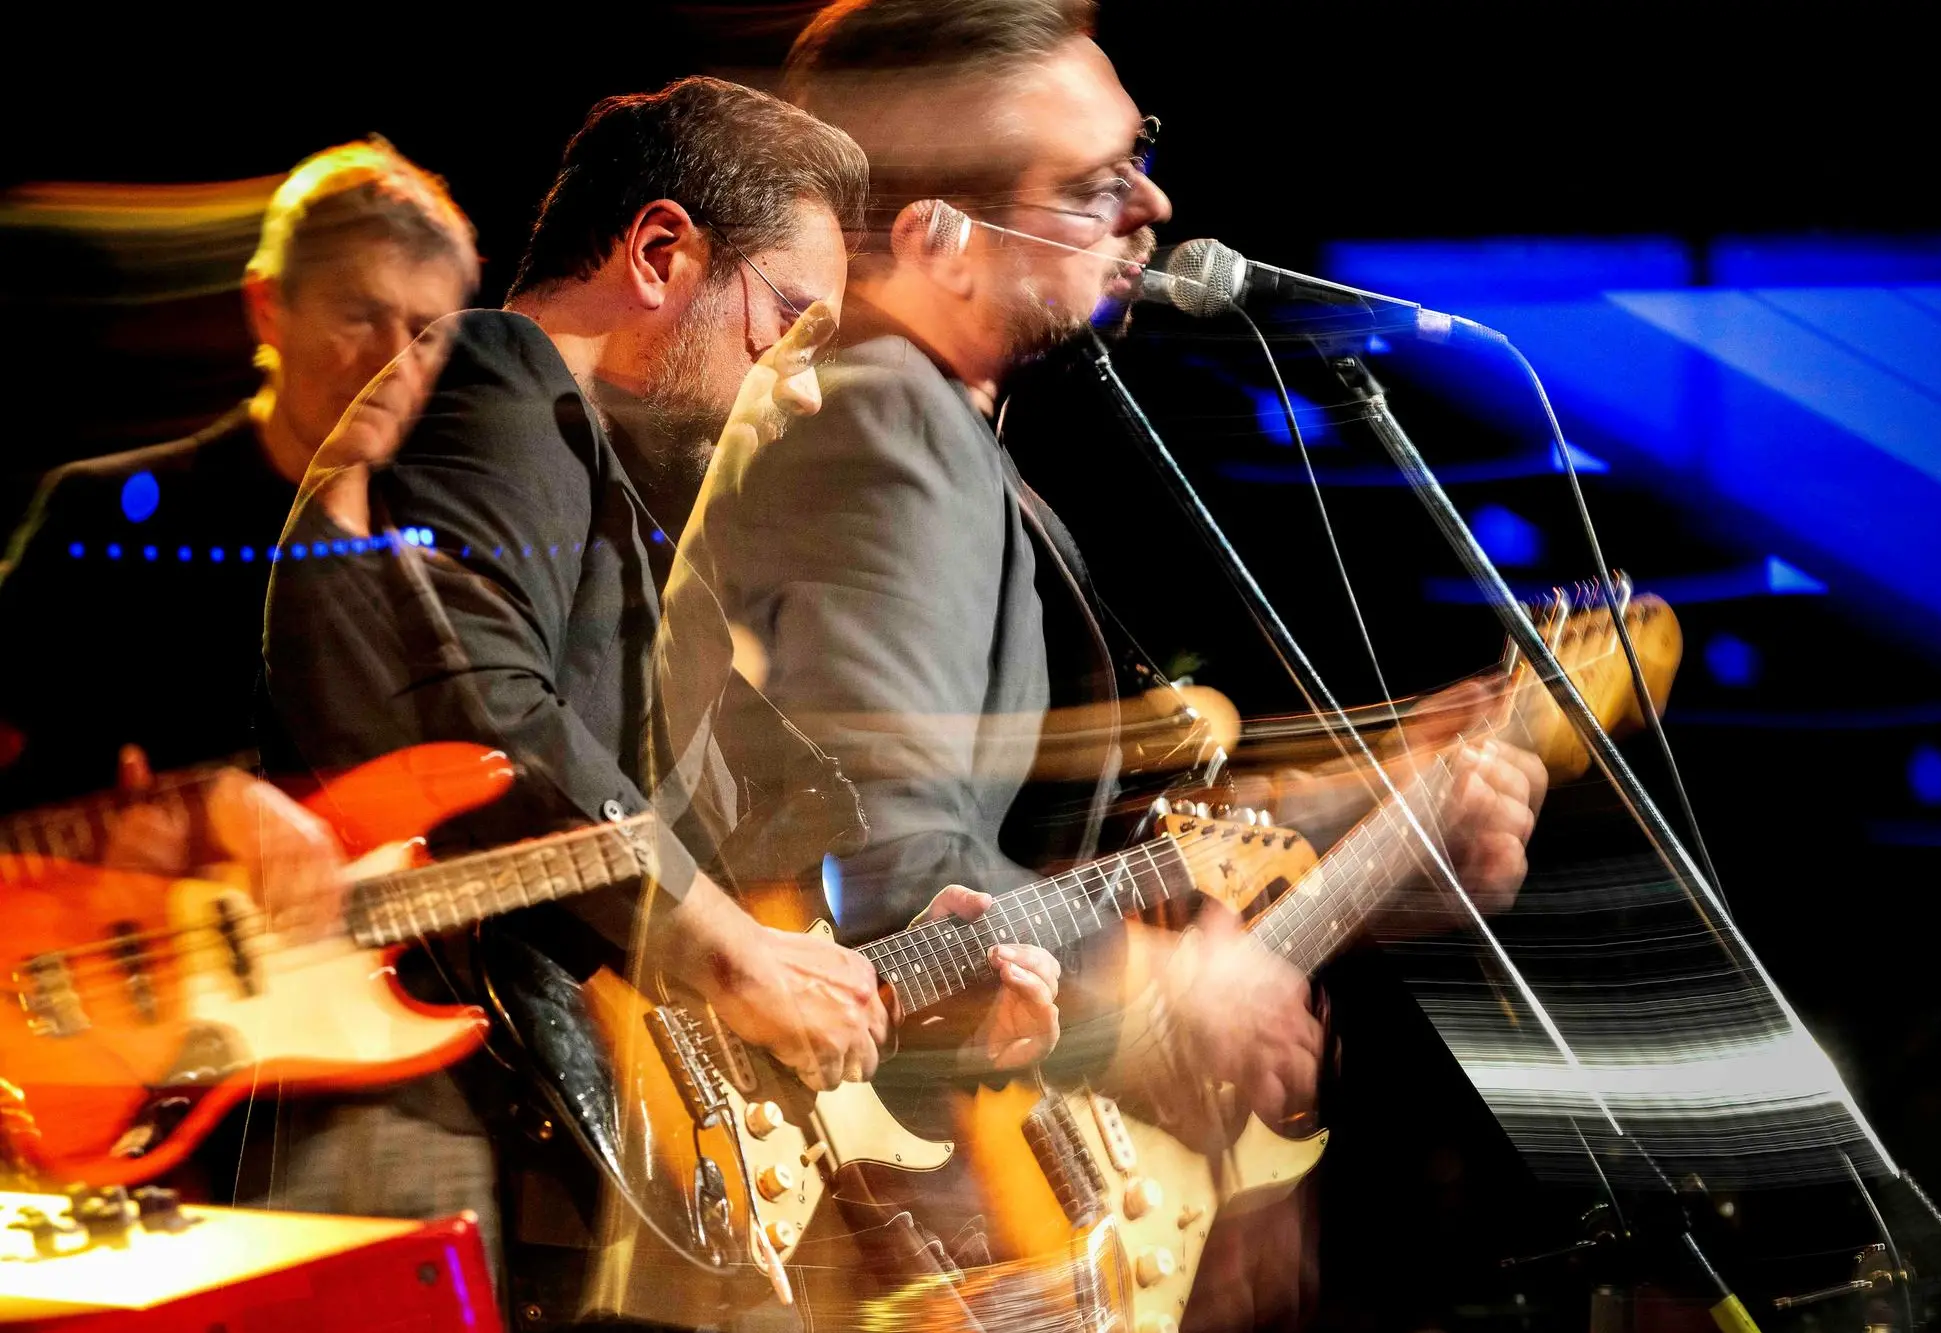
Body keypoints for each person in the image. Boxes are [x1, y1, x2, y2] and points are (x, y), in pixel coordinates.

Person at [654, 2, 1549, 1327]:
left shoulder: (928, 429)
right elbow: (884, 868)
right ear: (937, 241)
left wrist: (1374, 820)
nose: (1152, 205)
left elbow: (1003, 837)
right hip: (888, 1223)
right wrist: (1150, 995)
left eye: (1140, 154)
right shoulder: (889, 430)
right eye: (1089, 186)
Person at [260, 76, 1064, 1324]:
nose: (802, 388)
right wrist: (732, 953)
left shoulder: (628, 544)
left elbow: (729, 893)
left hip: (553, 1181)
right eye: (786, 322)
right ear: (657, 254)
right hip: (420, 1150)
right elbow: (476, 715)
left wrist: (902, 985)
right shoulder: (487, 375)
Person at [0, 139, 478, 814]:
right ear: (268, 306)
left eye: (425, 332)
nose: (393, 361)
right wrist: (146, 819)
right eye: (361, 313)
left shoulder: (454, 564)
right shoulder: (101, 517)